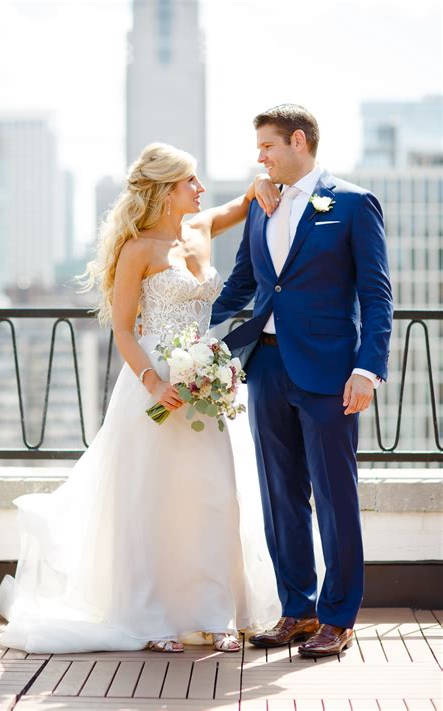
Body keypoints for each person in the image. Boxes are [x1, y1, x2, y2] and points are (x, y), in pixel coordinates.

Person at [0, 142, 282, 654]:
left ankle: (216, 613)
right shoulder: (137, 250)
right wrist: (154, 381)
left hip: (206, 385)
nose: (199, 189)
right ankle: (153, 618)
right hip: (153, 384)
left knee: (214, 497)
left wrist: (261, 184)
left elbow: (246, 202)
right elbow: (124, 330)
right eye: (189, 181)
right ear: (166, 190)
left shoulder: (199, 228)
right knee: (154, 501)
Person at [211, 104, 393, 657]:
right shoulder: (262, 206)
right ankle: (298, 610)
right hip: (266, 369)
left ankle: (339, 617)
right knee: (280, 495)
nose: (259, 157)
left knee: (335, 496)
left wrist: (367, 368)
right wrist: (197, 334)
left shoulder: (355, 204)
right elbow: (245, 283)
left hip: (331, 375)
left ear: (298, 141)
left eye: (266, 146)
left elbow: (376, 296)